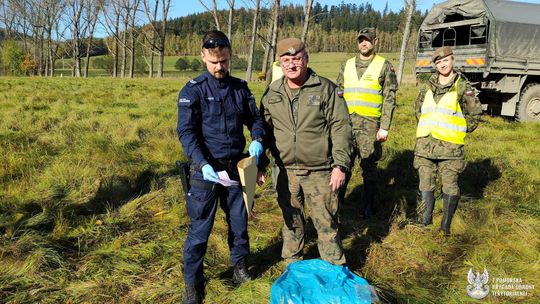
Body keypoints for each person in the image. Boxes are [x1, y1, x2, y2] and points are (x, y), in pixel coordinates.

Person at [176, 30, 265, 304]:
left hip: (236, 169)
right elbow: (187, 133)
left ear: (230, 57)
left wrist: (258, 140)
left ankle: (239, 268)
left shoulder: (240, 88)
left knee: (239, 225)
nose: (220, 67)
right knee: (199, 230)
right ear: (203, 57)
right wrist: (202, 163)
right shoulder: (193, 91)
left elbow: (256, 120)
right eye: (214, 62)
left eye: (224, 61)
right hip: (205, 173)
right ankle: (193, 283)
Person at [258, 38, 353, 266]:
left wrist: (340, 165)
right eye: (286, 60)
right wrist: (260, 164)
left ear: (306, 59)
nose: (292, 65)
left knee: (326, 223)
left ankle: (334, 269)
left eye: (297, 59)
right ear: (280, 63)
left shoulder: (326, 89)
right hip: (285, 171)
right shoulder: (272, 94)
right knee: (291, 222)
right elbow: (263, 132)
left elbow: (341, 127)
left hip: (319, 171)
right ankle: (292, 266)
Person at [414, 46, 482, 236]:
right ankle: (424, 220)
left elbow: (474, 113)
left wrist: (459, 129)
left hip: (450, 149)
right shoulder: (427, 86)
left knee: (450, 185)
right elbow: (418, 110)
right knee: (425, 184)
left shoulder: (462, 87)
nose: (442, 65)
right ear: (435, 65)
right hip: (425, 146)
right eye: (438, 62)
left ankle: (445, 225)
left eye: (445, 60)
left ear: (452, 60)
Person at [336, 28, 398, 217]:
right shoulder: (346, 65)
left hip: (370, 125)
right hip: (345, 124)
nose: (363, 44)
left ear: (375, 41)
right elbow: (338, 94)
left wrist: (385, 127)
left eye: (367, 40)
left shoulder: (384, 65)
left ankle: (368, 207)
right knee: (341, 163)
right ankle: (337, 206)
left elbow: (389, 98)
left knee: (369, 167)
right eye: (361, 40)